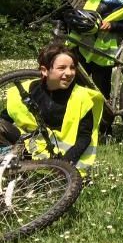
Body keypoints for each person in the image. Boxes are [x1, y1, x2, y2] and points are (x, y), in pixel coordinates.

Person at [1, 42, 103, 176]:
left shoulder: (82, 97)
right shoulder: (26, 91)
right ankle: (10, 167)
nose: (69, 73)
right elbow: (4, 118)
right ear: (44, 70)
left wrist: (64, 165)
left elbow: (84, 137)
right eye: (62, 68)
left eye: (72, 68)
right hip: (30, 151)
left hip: (61, 158)